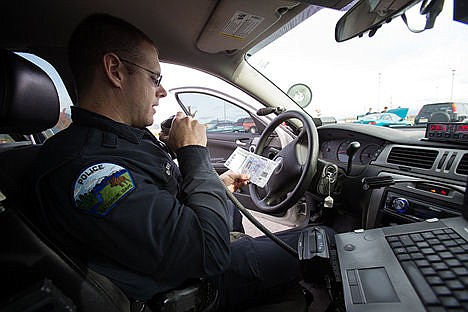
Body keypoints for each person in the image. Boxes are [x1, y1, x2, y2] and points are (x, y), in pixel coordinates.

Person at [32, 13, 308, 311]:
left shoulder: (125, 141)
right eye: (155, 78)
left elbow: (164, 203)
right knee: (322, 242)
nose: (162, 92)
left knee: (308, 242)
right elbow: (209, 253)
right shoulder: (88, 170)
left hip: (203, 252)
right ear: (115, 71)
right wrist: (192, 152)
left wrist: (218, 184)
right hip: (198, 285)